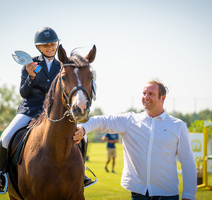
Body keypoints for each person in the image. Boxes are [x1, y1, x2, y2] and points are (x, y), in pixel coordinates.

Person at [0, 27, 91, 193]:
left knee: (82, 137)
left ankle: (81, 173)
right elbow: (24, 93)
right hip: (30, 110)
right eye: (45, 45)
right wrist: (31, 77)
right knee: (5, 137)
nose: (50, 47)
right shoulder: (30, 64)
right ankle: (1, 174)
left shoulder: (63, 65)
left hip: (54, 113)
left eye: (52, 44)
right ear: (38, 47)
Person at [74, 79, 197, 200]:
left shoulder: (177, 126)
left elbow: (188, 163)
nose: (146, 97)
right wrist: (83, 128)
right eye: (144, 93)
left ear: (162, 98)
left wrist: (189, 195)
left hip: (168, 194)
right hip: (138, 194)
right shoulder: (130, 121)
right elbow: (101, 121)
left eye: (151, 94)